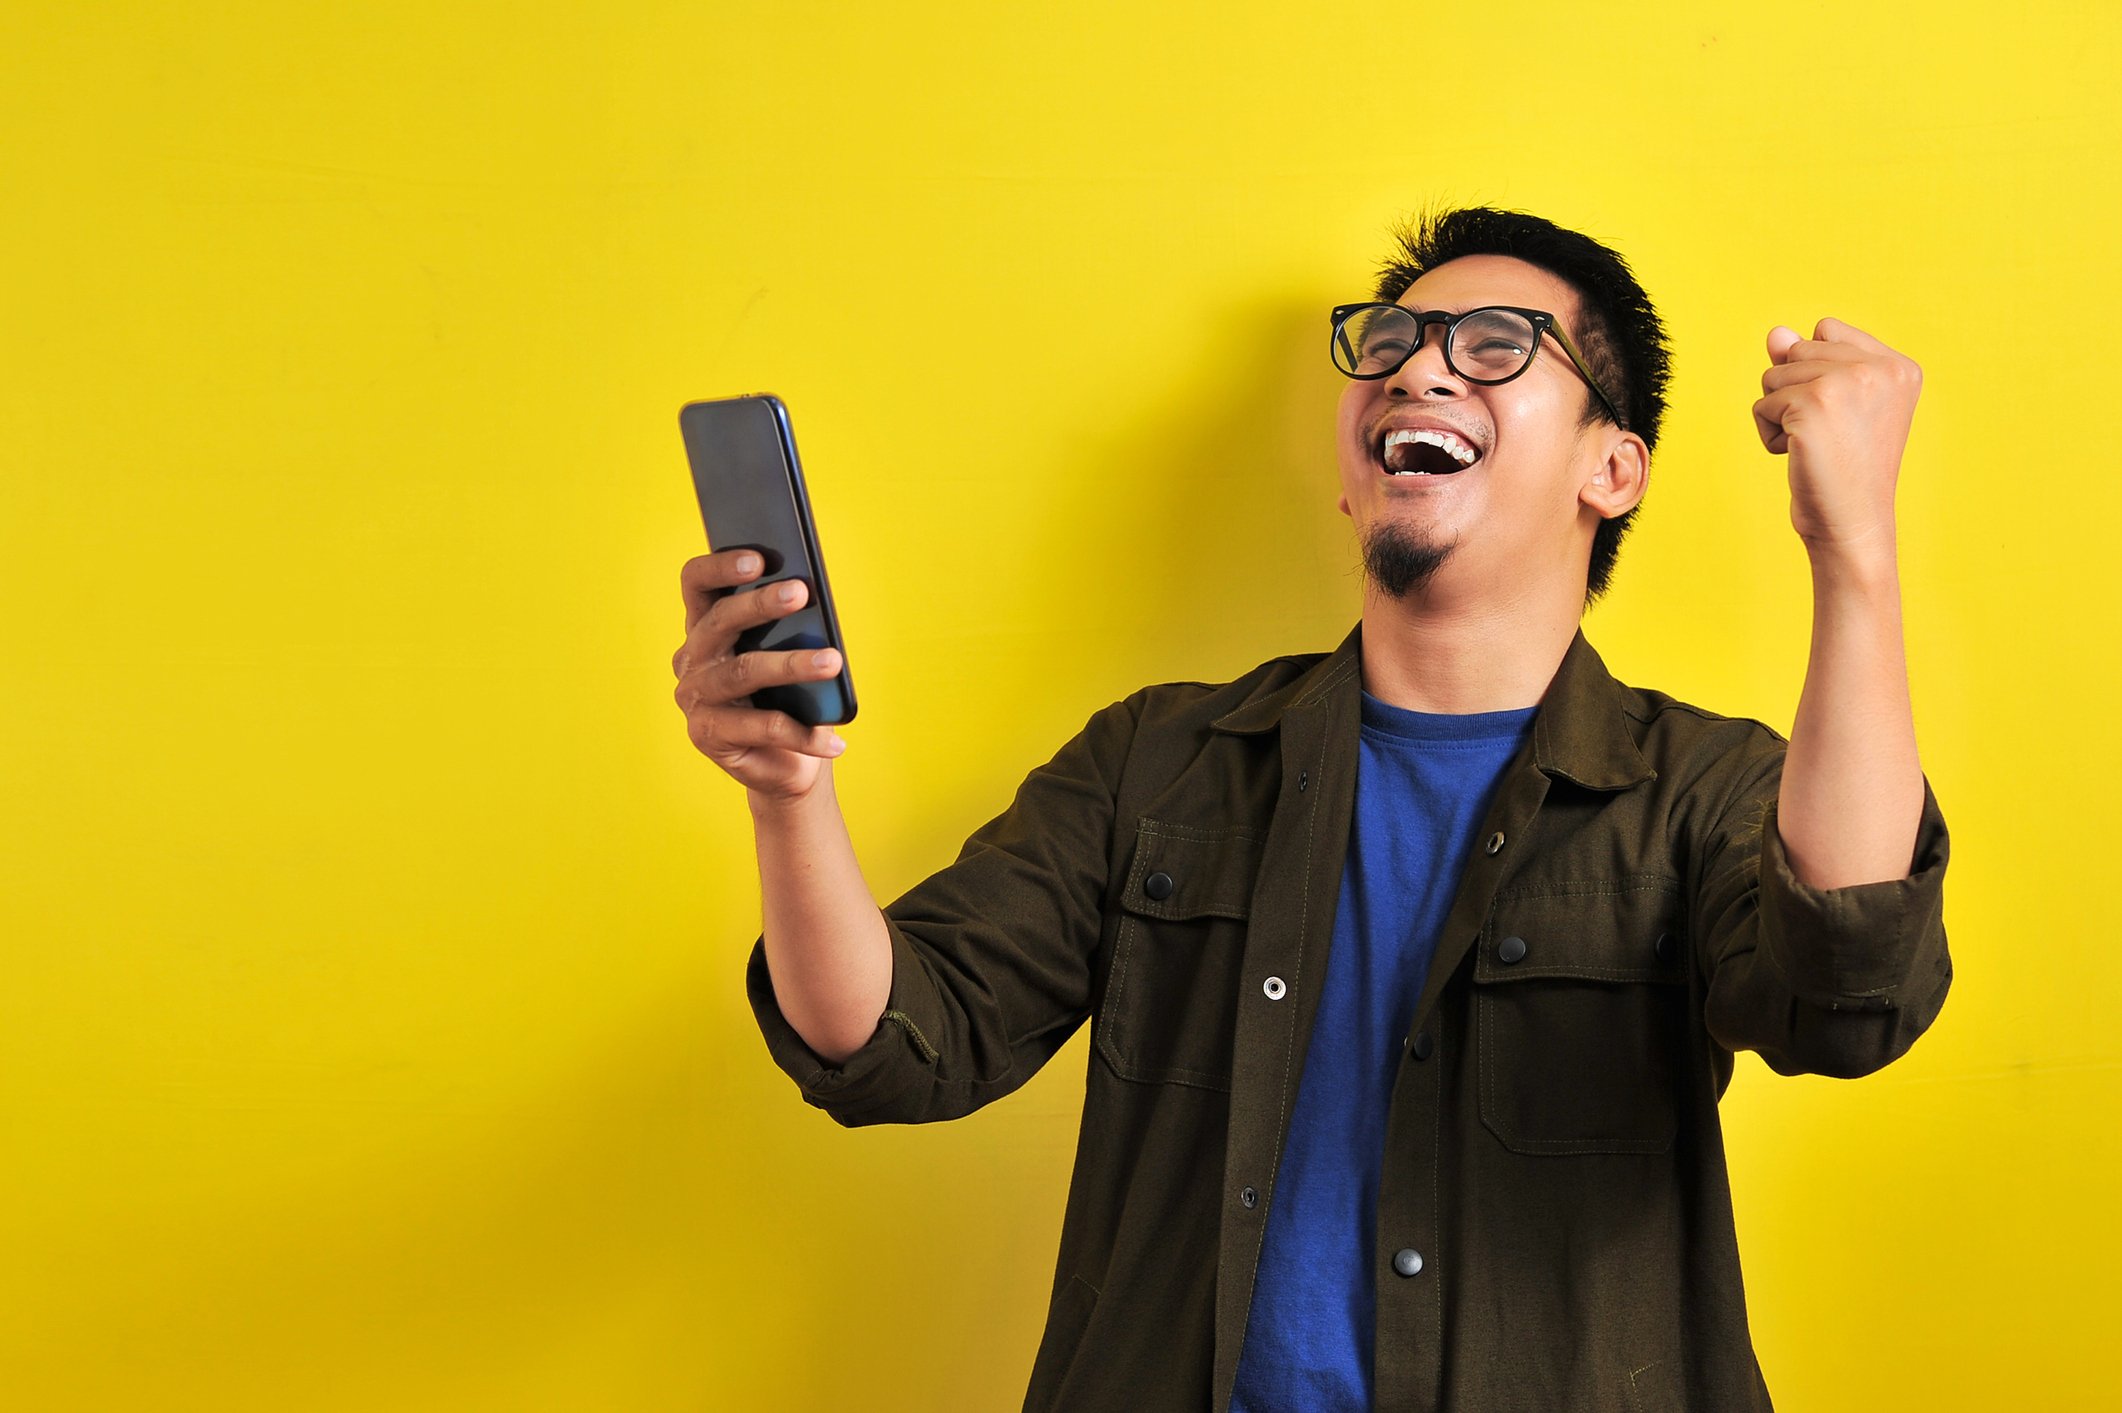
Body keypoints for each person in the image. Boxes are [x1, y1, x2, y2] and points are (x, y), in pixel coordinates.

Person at [670, 207, 1951, 1412]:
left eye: (1494, 347)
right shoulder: (1157, 762)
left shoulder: (1701, 789)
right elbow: (891, 1042)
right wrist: (788, 795)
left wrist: (1854, 554)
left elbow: (1842, 993)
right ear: (1349, 478)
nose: (1416, 372)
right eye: (1387, 345)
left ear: (1611, 468)